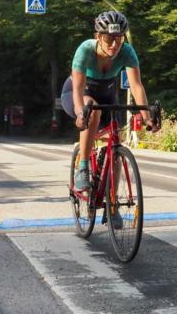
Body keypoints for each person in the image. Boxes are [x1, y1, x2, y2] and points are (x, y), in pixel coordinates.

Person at [61, 10, 159, 191]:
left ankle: (112, 207)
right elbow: (78, 88)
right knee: (93, 110)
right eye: (108, 39)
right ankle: (83, 167)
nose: (114, 45)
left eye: (119, 39)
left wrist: (147, 117)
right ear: (98, 36)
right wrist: (80, 112)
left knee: (116, 143)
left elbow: (136, 86)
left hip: (107, 92)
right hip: (77, 91)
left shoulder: (127, 51)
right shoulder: (85, 50)